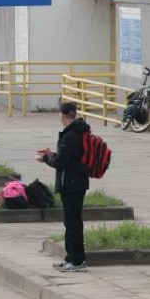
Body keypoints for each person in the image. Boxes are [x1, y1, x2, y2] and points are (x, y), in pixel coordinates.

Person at [37, 102, 90, 272]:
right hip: (76, 182)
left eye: (59, 114)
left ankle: (78, 261)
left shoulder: (71, 135)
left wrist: (47, 159)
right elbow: (67, 158)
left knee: (73, 224)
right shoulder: (77, 132)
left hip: (71, 184)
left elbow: (61, 163)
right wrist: (52, 154)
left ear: (63, 115)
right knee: (71, 222)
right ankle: (71, 257)